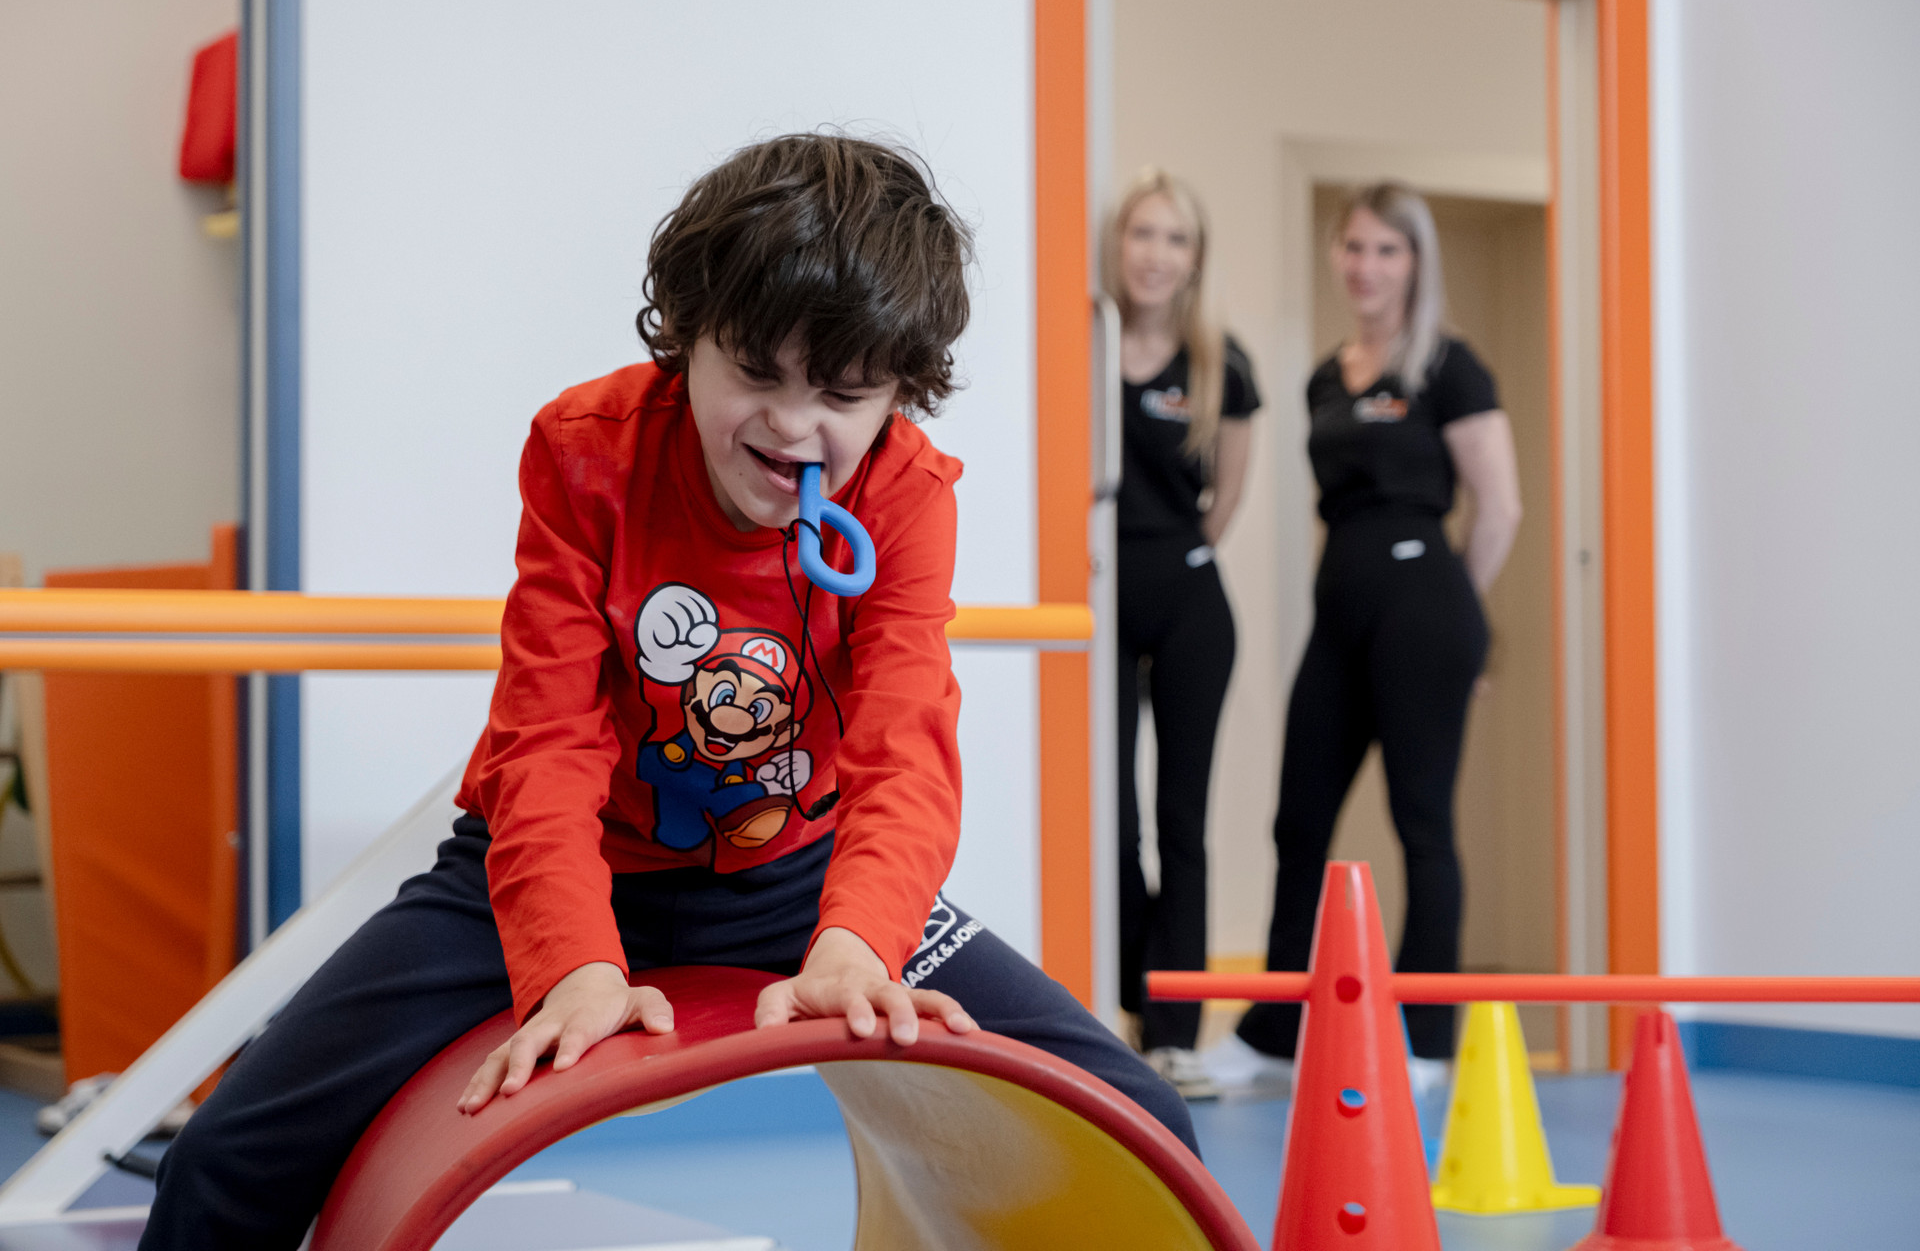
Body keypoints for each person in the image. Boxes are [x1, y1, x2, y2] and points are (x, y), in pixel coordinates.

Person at [139, 134, 1194, 1249]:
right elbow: (546, 741)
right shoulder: (586, 452)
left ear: (899, 389)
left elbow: (907, 749)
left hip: (797, 868)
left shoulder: (906, 493)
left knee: (1145, 1117)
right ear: (687, 338)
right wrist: (577, 963)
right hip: (575, 860)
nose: (793, 427)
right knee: (225, 1158)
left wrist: (857, 944)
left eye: (842, 392)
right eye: (755, 373)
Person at [1209, 182, 1521, 1090]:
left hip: (1426, 603)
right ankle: (1273, 1031)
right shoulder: (1321, 377)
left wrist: (1452, 614)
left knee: (1421, 821)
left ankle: (1425, 1040)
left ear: (1416, 261)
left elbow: (1501, 506)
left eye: (1388, 249)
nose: (1367, 266)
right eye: (1355, 247)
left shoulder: (1448, 367)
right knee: (1298, 817)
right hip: (1340, 605)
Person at [1103, 169, 1259, 1099]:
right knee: (1114, 824)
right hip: (1106, 604)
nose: (1157, 254)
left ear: (1194, 259)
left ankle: (1176, 1035)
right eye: (1143, 234)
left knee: (1182, 825)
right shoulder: (1085, 347)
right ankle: (1130, 1004)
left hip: (1194, 604)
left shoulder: (1221, 365)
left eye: (1176, 239)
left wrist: (1177, 561)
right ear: (1117, 246)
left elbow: (1225, 500)